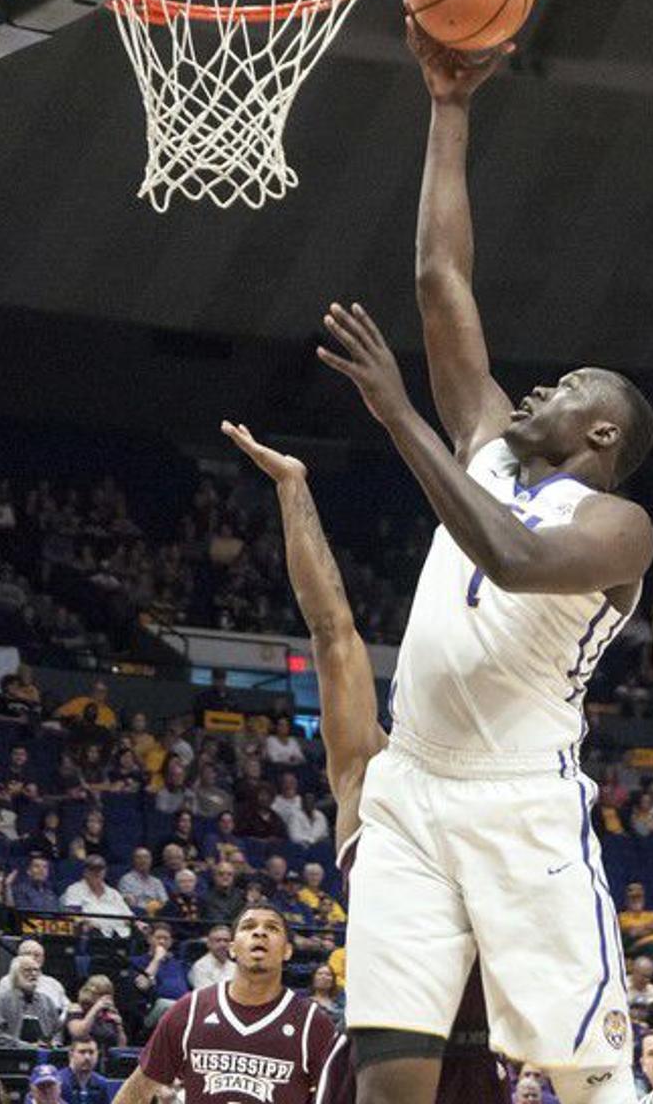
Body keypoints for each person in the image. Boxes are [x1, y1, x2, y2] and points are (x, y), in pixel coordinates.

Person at [306, 9, 653, 1104]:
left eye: (572, 388)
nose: (544, 387)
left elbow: (507, 556)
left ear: (603, 433)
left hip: (521, 806)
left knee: (589, 1079)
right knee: (390, 1082)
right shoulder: (489, 445)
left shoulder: (618, 529)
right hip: (410, 785)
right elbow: (440, 279)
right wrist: (447, 107)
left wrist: (399, 416)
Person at [221, 421, 508, 1104]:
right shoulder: (371, 771)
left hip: (474, 1058)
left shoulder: (506, 777)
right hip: (381, 1051)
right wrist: (293, 487)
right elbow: (332, 631)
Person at [108, 905, 337, 1104]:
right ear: (232, 948)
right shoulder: (190, 1010)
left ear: (287, 951)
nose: (259, 932)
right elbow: (137, 1090)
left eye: (272, 928)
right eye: (248, 927)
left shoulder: (313, 1024)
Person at [0, 955, 62, 1047]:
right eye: (27, 970)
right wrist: (27, 1046)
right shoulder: (2, 1000)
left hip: (44, 1052)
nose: (33, 974)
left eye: (36, 970)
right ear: (15, 975)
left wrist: (54, 1043)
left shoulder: (47, 1001)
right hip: (12, 1052)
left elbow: (57, 1031)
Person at [130, 924, 189, 1030]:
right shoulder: (137, 961)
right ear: (149, 939)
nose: (162, 942)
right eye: (158, 938)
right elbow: (143, 985)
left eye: (166, 939)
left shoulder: (179, 964)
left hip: (181, 1008)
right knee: (167, 1005)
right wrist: (156, 959)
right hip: (152, 1011)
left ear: (171, 942)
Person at [60, 856, 132, 938]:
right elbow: (72, 914)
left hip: (121, 935)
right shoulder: (75, 890)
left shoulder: (113, 893)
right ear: (85, 872)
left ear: (105, 872)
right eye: (92, 869)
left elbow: (129, 917)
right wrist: (83, 923)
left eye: (100, 869)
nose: (97, 873)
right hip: (92, 935)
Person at [0, 941, 69, 1018]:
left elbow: (67, 1008)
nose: (32, 957)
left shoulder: (53, 983)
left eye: (37, 955)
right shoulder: (7, 981)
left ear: (43, 959)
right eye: (27, 954)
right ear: (18, 957)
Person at [64, 977, 126, 1053]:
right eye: (101, 994)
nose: (106, 998)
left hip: (105, 1056)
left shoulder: (108, 1013)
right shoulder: (77, 1009)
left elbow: (121, 1047)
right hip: (82, 1053)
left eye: (108, 994)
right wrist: (96, 1008)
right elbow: (79, 1034)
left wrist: (119, 1026)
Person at [58, 1038, 109, 1104]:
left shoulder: (101, 1083)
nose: (87, 1057)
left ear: (97, 1055)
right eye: (82, 1052)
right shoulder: (59, 1081)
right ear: (71, 1055)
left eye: (91, 1052)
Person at [118, 848, 168, 916]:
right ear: (133, 861)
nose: (143, 860)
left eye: (146, 857)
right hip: (137, 915)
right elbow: (127, 903)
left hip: (156, 915)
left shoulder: (157, 882)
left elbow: (164, 902)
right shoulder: (126, 880)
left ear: (151, 861)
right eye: (139, 858)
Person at [189, 925, 234, 990]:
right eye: (218, 940)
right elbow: (207, 994)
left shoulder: (235, 967)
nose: (223, 944)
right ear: (209, 944)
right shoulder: (200, 967)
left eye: (226, 941)